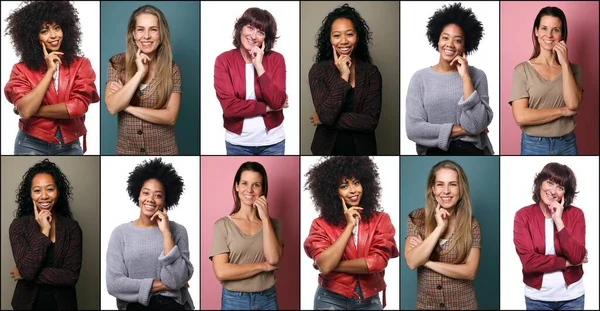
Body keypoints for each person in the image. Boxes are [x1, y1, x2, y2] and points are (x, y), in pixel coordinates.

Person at [4, 1, 99, 155]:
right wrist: (49, 71)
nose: (53, 35)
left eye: (57, 28)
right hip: (30, 142)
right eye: (44, 31)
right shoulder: (20, 69)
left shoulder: (81, 64)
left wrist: (34, 110)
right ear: (33, 36)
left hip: (69, 143)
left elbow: (78, 107)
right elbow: (25, 110)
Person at [304, 156, 398, 310]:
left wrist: (334, 266)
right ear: (333, 192)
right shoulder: (320, 224)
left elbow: (378, 262)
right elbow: (325, 265)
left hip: (369, 299)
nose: (353, 190)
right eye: (344, 185)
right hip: (330, 298)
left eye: (356, 183)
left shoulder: (381, 219)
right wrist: (349, 227)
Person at [405, 3, 493, 155]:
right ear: (437, 40)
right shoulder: (419, 78)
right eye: (445, 38)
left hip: (473, 151)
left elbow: (476, 123)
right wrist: (463, 130)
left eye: (457, 40)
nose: (450, 44)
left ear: (465, 45)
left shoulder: (477, 76)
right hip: (433, 152)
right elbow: (413, 129)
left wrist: (465, 77)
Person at [106, 158, 194, 310]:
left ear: (165, 200)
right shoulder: (120, 234)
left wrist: (166, 233)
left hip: (173, 305)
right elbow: (114, 284)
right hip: (134, 306)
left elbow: (176, 278)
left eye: (158, 195)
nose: (150, 199)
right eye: (146, 193)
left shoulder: (178, 231)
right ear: (138, 195)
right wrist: (163, 285)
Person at [104, 5, 182, 155]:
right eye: (140, 29)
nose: (146, 36)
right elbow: (112, 107)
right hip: (126, 152)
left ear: (161, 33)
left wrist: (127, 107)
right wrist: (140, 73)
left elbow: (170, 117)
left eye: (153, 29)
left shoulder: (172, 69)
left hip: (164, 152)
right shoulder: (117, 63)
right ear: (133, 33)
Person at [404, 160, 481, 310]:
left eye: (453, 184)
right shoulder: (416, 218)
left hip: (463, 306)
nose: (446, 191)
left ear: (461, 188)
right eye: (440, 184)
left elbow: (470, 272)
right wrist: (439, 228)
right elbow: (412, 262)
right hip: (426, 306)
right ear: (432, 188)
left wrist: (426, 262)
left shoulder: (472, 224)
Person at [8, 159, 82, 310]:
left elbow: (71, 277)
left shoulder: (72, 228)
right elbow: (27, 270)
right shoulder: (18, 226)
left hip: (63, 305)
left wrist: (25, 273)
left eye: (50, 189)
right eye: (37, 190)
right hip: (26, 305)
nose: (44, 196)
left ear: (58, 192)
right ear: (30, 194)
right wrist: (45, 231)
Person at [308, 4, 382, 156]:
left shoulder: (371, 73)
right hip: (326, 150)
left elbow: (370, 122)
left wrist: (324, 118)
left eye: (349, 34)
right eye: (336, 35)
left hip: (362, 151)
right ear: (329, 39)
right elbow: (327, 116)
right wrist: (344, 76)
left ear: (358, 36)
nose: (343, 41)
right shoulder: (318, 71)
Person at [214, 8, 288, 155]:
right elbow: (229, 107)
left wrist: (259, 66)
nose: (253, 36)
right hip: (238, 143)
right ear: (240, 28)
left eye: (261, 32)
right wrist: (267, 108)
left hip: (273, 142)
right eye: (250, 27)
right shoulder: (224, 61)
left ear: (266, 38)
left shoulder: (276, 59)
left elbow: (277, 101)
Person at [209, 161, 283, 310]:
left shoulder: (273, 224)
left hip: (267, 299)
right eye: (244, 183)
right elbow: (221, 272)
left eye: (256, 185)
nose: (249, 190)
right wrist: (263, 266)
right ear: (237, 186)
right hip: (234, 300)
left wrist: (265, 218)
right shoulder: (222, 225)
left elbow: (274, 259)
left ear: (262, 189)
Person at [509, 7, 582, 155]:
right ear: (536, 31)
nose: (549, 35)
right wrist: (563, 111)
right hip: (534, 144)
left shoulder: (574, 69)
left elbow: (573, 104)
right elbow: (521, 117)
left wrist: (565, 64)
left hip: (567, 143)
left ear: (562, 34)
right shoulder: (522, 70)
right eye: (544, 28)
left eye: (555, 30)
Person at [513, 162, 587, 310]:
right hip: (537, 298)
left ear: (565, 194)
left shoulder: (576, 214)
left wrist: (558, 221)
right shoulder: (523, 216)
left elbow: (577, 257)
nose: (553, 191)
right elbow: (529, 263)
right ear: (540, 183)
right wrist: (567, 263)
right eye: (550, 183)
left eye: (560, 187)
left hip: (572, 298)